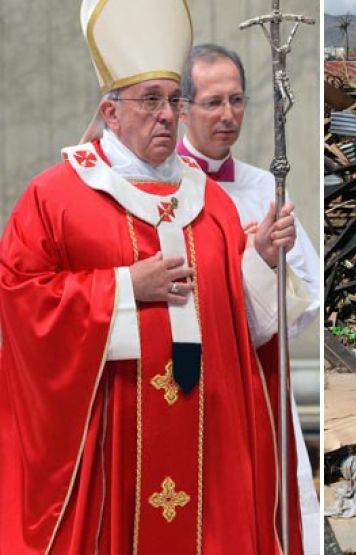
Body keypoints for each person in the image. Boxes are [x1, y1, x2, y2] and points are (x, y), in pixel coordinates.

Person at [0, 2, 308, 552]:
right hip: (112, 443)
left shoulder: (209, 201)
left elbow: (241, 331)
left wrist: (256, 260)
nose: (166, 115)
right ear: (110, 112)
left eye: (173, 101)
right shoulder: (56, 197)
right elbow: (20, 299)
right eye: (149, 101)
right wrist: (122, 289)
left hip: (209, 441)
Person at [177, 44, 322, 555]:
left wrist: (263, 262)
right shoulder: (162, 191)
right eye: (213, 102)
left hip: (260, 381)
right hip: (188, 387)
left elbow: (308, 294)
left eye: (237, 100)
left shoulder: (265, 189)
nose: (228, 115)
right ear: (182, 108)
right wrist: (247, 260)